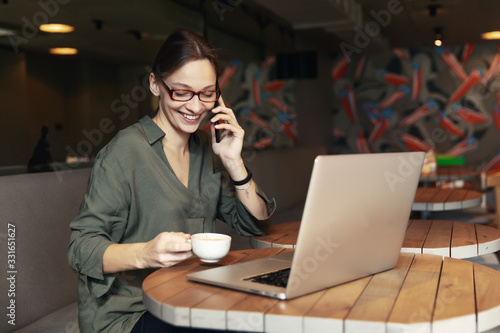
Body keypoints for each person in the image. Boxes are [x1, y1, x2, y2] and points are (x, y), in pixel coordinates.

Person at [67, 29, 275, 333]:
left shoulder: (207, 149)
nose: (196, 106)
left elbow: (256, 224)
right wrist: (145, 253)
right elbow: (80, 248)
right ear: (155, 85)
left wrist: (234, 161)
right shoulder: (124, 152)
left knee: (262, 310)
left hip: (189, 297)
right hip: (131, 314)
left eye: (207, 93)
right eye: (181, 92)